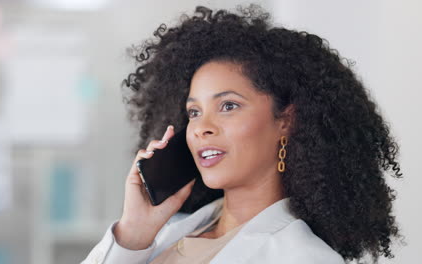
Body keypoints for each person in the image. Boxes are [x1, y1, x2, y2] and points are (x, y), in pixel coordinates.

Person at [81, 4, 403, 264]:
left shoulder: (303, 257)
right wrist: (133, 232)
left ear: (286, 122)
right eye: (194, 112)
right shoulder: (169, 231)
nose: (202, 126)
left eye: (229, 106)